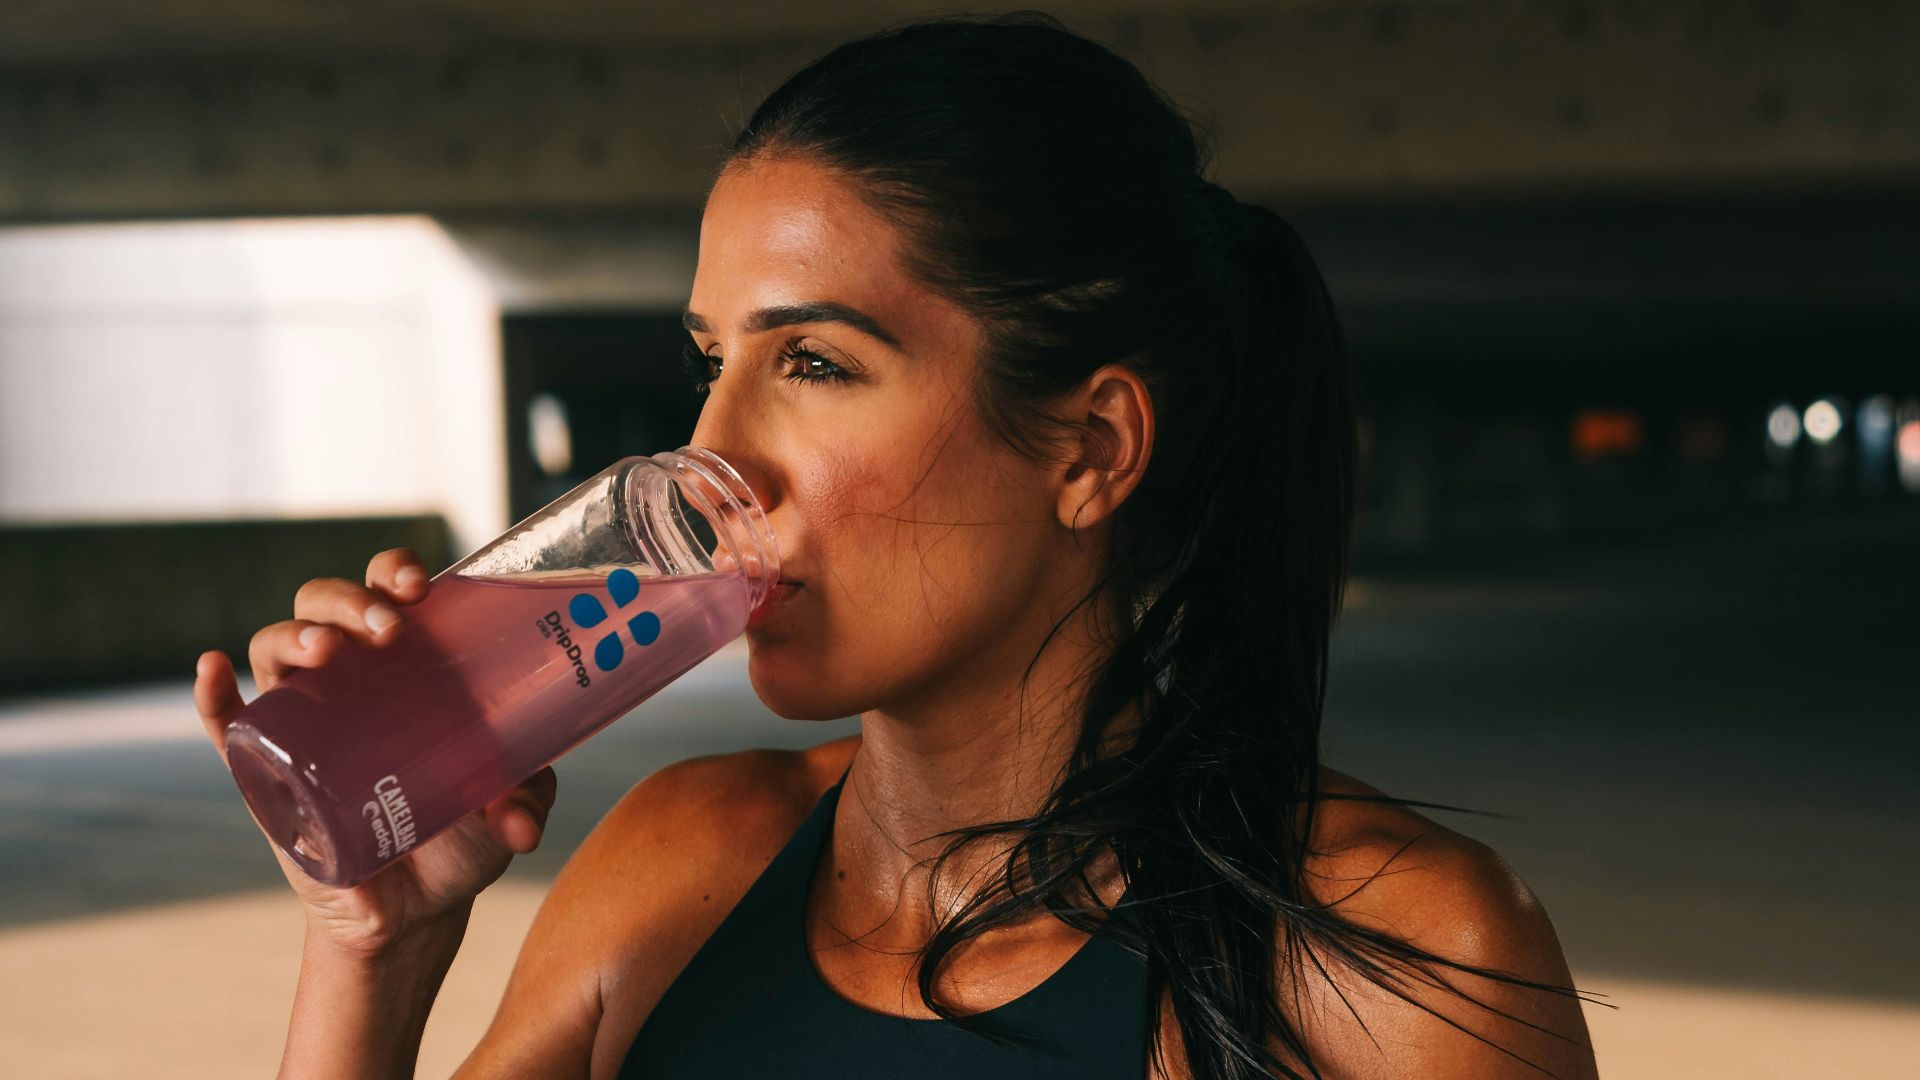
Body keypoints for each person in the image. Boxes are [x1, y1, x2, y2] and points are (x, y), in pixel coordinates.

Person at [194, 13, 1599, 1079]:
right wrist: (372, 952)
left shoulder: (1395, 964)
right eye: (712, 360)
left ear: (1093, 449)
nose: (714, 455)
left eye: (814, 362)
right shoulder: (680, 864)